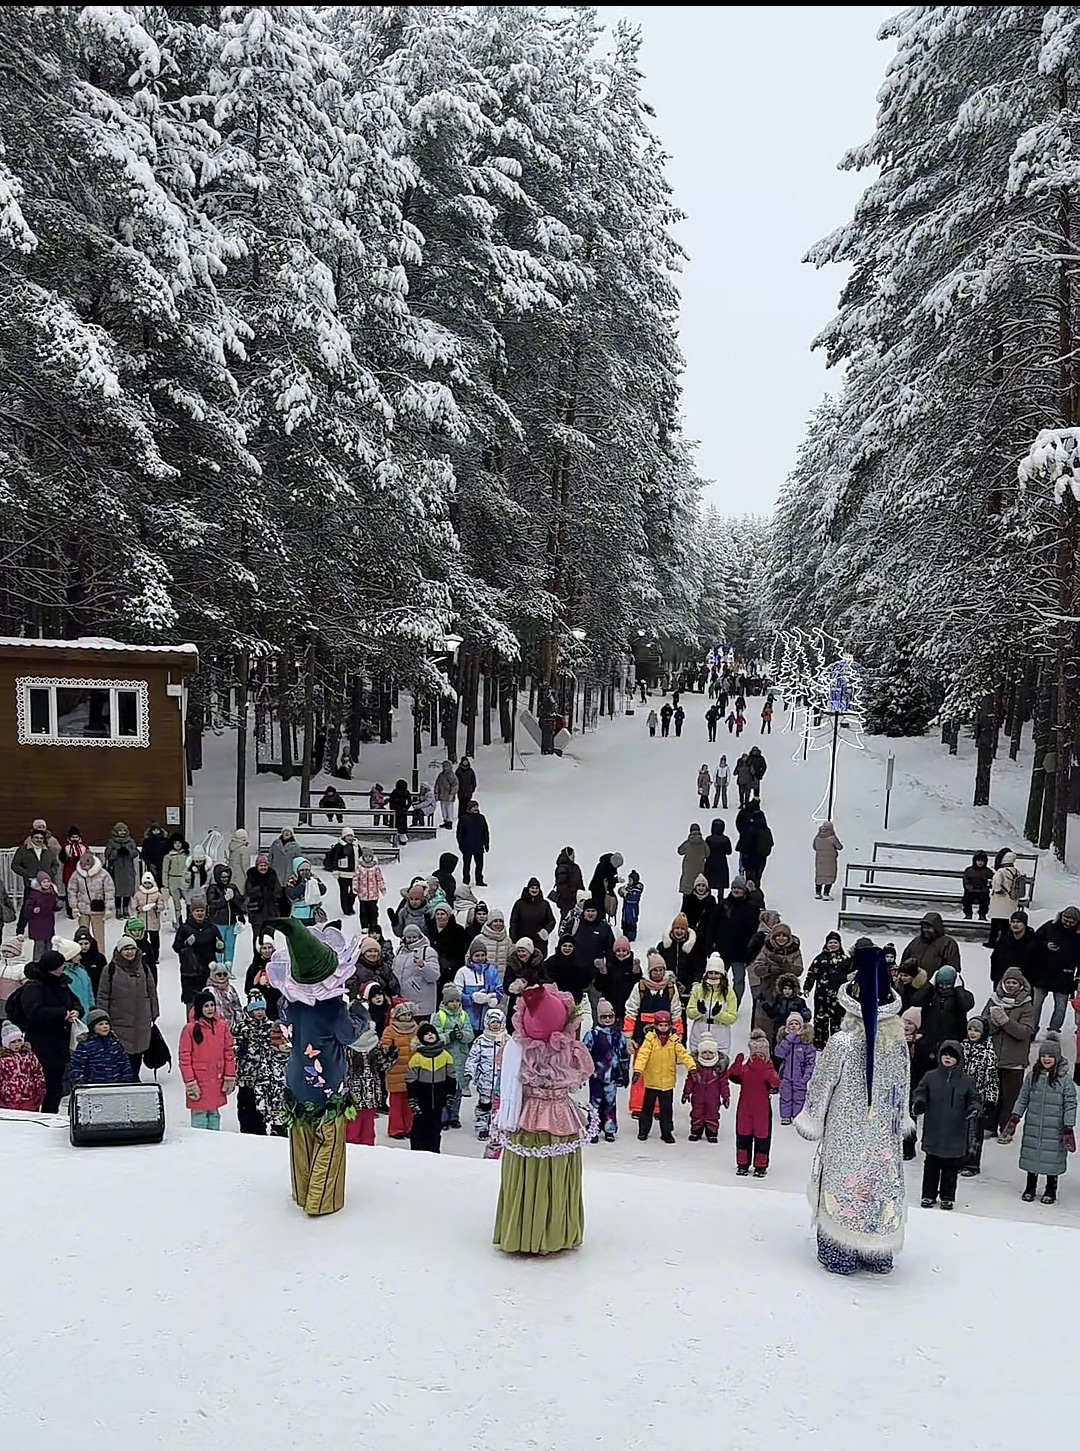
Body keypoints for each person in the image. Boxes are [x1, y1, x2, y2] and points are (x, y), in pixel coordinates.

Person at [795, 943, 910, 1275]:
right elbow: (903, 1084)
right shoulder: (897, 1042)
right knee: (878, 1181)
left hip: (846, 1128)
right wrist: (899, 1119)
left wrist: (813, 1116)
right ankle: (877, 1251)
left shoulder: (842, 1042)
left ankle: (839, 1249)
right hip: (883, 1132)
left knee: (845, 1180)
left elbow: (822, 1083)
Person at [264, 917, 377, 1214]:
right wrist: (360, 1012)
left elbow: (286, 1027)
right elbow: (349, 1034)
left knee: (300, 1133)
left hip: (297, 1076)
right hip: (327, 1080)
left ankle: (303, 1191)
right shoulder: (333, 1007)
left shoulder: (289, 1003)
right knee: (329, 1137)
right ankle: (321, 1200)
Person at [492, 984, 594, 1254]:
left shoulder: (520, 1050)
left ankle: (525, 1230)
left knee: (530, 1171)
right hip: (555, 1114)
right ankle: (553, 1230)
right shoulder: (566, 1052)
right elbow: (578, 1079)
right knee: (553, 1173)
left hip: (528, 1115)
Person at [1002, 1033, 1078, 1205]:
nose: (1046, 1059)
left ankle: (1051, 1188)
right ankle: (1030, 1186)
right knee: (1032, 1155)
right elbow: (1023, 1098)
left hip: (1055, 1127)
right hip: (1034, 1124)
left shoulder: (1064, 1080)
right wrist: (1015, 1117)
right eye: (1043, 1056)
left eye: (1050, 1056)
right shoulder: (1033, 1076)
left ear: (1057, 1058)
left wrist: (1068, 1127)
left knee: (1052, 1158)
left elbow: (1070, 1103)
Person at [911, 1039, 980, 1210]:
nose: (948, 1058)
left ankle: (947, 1196)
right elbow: (920, 1091)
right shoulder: (931, 1077)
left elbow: (975, 1099)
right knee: (931, 1165)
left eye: (952, 1056)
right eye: (945, 1055)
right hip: (934, 1128)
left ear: (959, 1059)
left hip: (955, 1131)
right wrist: (919, 1102)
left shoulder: (966, 1081)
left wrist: (974, 1109)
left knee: (950, 1168)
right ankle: (928, 1194)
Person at [18, 949, 82, 1112]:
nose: (64, 968)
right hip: (41, 1044)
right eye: (61, 965)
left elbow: (75, 1001)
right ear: (52, 967)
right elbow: (34, 1011)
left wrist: (76, 1010)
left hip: (60, 1043)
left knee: (55, 1087)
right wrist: (62, 1013)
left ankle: (50, 1114)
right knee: (42, 1086)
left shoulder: (61, 982)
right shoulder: (34, 986)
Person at [97, 934, 160, 1080]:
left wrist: (153, 1013)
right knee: (122, 1052)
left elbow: (151, 991)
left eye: (132, 948)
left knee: (138, 1051)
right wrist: (103, 1018)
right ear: (119, 951)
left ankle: (134, 1076)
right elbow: (103, 995)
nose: (129, 952)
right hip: (119, 1020)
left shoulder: (143, 967)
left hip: (141, 1020)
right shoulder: (110, 969)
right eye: (126, 949)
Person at [982, 969, 1036, 1136]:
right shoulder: (994, 1001)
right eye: (1008, 982)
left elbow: (1025, 1032)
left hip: (1015, 1060)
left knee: (1010, 1098)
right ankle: (989, 1126)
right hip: (994, 1056)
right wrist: (993, 1022)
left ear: (1021, 985)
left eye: (1014, 982)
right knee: (992, 1094)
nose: (1011, 985)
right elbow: (983, 1027)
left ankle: (1006, 1129)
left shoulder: (1027, 1005)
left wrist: (1005, 1021)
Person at [634, 1010, 695, 1143]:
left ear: (669, 1026)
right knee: (647, 1108)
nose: (663, 1028)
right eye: (660, 1025)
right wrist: (638, 1070)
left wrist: (692, 1067)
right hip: (652, 1080)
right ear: (655, 1025)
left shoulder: (674, 1040)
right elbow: (643, 1055)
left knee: (666, 1109)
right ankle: (643, 1130)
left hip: (667, 1081)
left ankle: (667, 1132)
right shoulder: (649, 1039)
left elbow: (683, 1054)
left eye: (665, 1025)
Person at [234, 992, 288, 1135]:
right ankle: (249, 1129)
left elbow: (277, 1045)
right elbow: (233, 1047)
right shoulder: (241, 1027)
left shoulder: (270, 1026)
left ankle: (271, 1126)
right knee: (247, 1103)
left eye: (262, 1009)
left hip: (266, 1076)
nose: (260, 1012)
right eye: (256, 1009)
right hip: (248, 1076)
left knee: (267, 1102)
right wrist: (244, 1053)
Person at [728, 1029, 781, 1175]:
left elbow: (776, 1084)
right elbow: (733, 1076)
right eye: (755, 1055)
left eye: (761, 1055)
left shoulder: (769, 1069)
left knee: (762, 1138)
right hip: (745, 1109)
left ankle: (760, 1166)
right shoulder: (746, 1069)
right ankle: (743, 1164)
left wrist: (767, 1074)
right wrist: (737, 1064)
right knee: (743, 1137)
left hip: (761, 1111)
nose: (757, 1058)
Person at [583, 1000, 631, 1142]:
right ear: (599, 1018)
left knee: (610, 1103)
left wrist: (625, 1073)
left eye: (610, 1016)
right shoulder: (592, 1034)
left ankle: (609, 1128)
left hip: (613, 1075)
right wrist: (584, 1071)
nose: (608, 1019)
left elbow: (624, 1056)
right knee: (595, 1103)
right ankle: (593, 1129)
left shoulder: (619, 1035)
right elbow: (584, 1054)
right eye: (604, 1017)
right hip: (597, 1075)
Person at [749, 921, 803, 1042]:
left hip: (787, 990)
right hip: (767, 988)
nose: (781, 938)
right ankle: (762, 1047)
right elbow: (757, 967)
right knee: (764, 1019)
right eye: (778, 935)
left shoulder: (794, 950)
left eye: (784, 936)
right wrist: (768, 969)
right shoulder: (767, 948)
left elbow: (798, 969)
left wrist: (785, 967)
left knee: (783, 1022)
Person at [1032, 906, 1080, 1034]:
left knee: (1060, 1007)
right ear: (1061, 916)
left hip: (1065, 975)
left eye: (1072, 922)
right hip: (1043, 972)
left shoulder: (1078, 936)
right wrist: (1045, 945)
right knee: (1036, 1004)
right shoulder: (1049, 927)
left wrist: (1077, 977)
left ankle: (1053, 1032)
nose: (1068, 924)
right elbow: (1034, 941)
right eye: (1066, 919)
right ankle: (1032, 1030)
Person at [960, 1017, 999, 1175]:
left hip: (978, 1099)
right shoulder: (962, 1048)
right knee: (960, 1131)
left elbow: (992, 1080)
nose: (973, 1033)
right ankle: (959, 1159)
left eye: (977, 1030)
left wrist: (990, 1100)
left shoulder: (988, 1054)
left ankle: (972, 1164)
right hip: (960, 1097)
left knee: (974, 1132)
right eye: (971, 1029)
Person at [714, 877, 759, 1006]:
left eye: (739, 888)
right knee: (717, 978)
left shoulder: (751, 907)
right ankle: (717, 1002)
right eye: (734, 888)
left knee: (738, 980)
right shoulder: (724, 904)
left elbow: (754, 930)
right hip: (723, 950)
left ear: (744, 890)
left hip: (741, 952)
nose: (736, 890)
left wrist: (750, 950)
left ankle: (734, 1004)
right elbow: (714, 925)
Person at [433, 984, 474, 1128]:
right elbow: (434, 1037)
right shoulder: (440, 1016)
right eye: (451, 1001)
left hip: (461, 1058)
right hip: (445, 1058)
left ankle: (454, 1117)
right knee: (444, 1090)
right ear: (445, 1002)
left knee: (458, 1091)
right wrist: (448, 1037)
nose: (455, 1004)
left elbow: (470, 1034)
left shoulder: (464, 1015)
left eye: (457, 1001)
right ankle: (443, 1117)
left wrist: (461, 1035)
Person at [465, 1007, 507, 1141]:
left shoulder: (508, 1040)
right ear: (487, 1023)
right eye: (492, 1022)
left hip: (502, 1081)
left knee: (500, 1105)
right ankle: (482, 1127)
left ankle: (497, 1127)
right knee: (485, 1104)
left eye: (498, 1022)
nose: (495, 1025)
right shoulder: (481, 1041)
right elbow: (473, 1058)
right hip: (485, 1080)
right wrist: (469, 1073)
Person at [173, 896, 224, 1005]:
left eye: (202, 910)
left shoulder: (212, 927)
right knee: (191, 1001)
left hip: (208, 969)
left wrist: (220, 946)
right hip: (190, 970)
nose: (200, 913)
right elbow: (177, 947)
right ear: (192, 912)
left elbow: (220, 947)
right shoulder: (185, 928)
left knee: (209, 1000)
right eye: (197, 911)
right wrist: (187, 944)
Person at [685, 954, 738, 1055]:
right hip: (700, 1031)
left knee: (719, 1064)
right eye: (710, 973)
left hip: (720, 1033)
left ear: (722, 975)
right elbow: (689, 1013)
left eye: (716, 973)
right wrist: (699, 1011)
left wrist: (719, 1014)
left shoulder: (728, 992)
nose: (713, 976)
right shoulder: (698, 990)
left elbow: (733, 1017)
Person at [381, 1000, 419, 1139]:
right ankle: (396, 1129)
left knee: (410, 1103)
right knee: (396, 1104)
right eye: (403, 1014)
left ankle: (409, 1127)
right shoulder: (390, 1030)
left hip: (412, 1072)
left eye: (409, 1014)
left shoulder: (416, 1028)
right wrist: (390, 1053)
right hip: (395, 1072)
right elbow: (384, 1047)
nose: (407, 1017)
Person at [682, 1036, 730, 1143]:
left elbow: (724, 1084)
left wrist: (726, 1096)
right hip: (698, 1095)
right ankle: (696, 1130)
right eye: (704, 1052)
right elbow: (690, 1080)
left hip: (713, 1097)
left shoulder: (719, 1068)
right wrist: (686, 1092)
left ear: (715, 1053)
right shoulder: (696, 1067)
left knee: (712, 1113)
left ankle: (711, 1131)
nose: (707, 1055)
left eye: (710, 1053)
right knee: (697, 1113)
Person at [804, 931, 848, 1047]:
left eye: (835, 942)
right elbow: (812, 973)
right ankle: (819, 1043)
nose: (833, 945)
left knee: (837, 1020)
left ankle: (836, 1044)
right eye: (830, 942)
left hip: (838, 996)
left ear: (840, 944)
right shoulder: (820, 958)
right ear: (826, 944)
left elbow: (849, 978)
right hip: (821, 995)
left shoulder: (845, 960)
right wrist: (807, 987)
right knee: (820, 1020)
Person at [70, 1008, 134, 1086]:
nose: (105, 1026)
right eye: (101, 1024)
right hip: (92, 1087)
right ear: (92, 1027)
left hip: (116, 1085)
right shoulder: (85, 1045)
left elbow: (124, 1062)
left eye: (107, 1023)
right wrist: (80, 1083)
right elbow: (77, 1066)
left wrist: (126, 1080)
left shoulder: (114, 1043)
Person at [11, 828, 60, 931]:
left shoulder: (48, 851)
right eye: (36, 838)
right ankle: (20, 929)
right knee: (27, 908)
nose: (39, 840)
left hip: (46, 884)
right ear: (31, 838)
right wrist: (27, 874)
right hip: (31, 884)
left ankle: (44, 930)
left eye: (41, 838)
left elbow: (55, 864)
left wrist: (50, 873)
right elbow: (15, 865)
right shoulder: (23, 850)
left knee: (46, 907)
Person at [775, 1013, 818, 1125]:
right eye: (791, 1024)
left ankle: (797, 1116)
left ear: (801, 1026)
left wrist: (806, 1077)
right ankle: (785, 1116)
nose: (794, 1026)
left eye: (796, 1023)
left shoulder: (805, 1043)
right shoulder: (785, 1040)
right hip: (786, 1075)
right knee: (785, 1096)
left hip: (800, 1076)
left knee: (799, 1097)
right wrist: (789, 1039)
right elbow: (779, 1053)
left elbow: (810, 1062)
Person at [455, 940, 504, 1034]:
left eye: (483, 955)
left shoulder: (492, 971)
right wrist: (472, 998)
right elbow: (457, 994)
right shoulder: (463, 972)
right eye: (477, 955)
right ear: (471, 956)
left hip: (488, 1021)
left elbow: (500, 989)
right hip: (468, 1020)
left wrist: (496, 999)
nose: (480, 958)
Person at [394, 923, 441, 1020]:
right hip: (403, 1004)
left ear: (420, 936)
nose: (411, 940)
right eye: (408, 937)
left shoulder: (428, 951)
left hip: (422, 1006)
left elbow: (435, 976)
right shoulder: (399, 951)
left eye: (414, 937)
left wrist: (423, 965)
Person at [67, 852, 115, 946]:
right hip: (83, 909)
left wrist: (109, 909)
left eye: (88, 865)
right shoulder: (76, 875)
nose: (86, 867)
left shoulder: (103, 874)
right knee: (83, 934)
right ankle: (84, 955)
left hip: (98, 908)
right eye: (84, 865)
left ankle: (100, 955)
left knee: (99, 935)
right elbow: (72, 891)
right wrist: (74, 907)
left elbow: (109, 892)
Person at [243, 855, 290, 944]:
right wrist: (261, 889)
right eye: (261, 865)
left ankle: (269, 956)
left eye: (265, 865)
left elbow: (278, 892)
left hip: (271, 913)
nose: (263, 868)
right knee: (257, 938)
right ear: (257, 866)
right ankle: (257, 956)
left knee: (269, 938)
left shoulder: (272, 876)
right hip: (257, 913)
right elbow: (249, 892)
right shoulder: (252, 877)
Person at [0, 1019, 45, 1110]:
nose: (17, 1044)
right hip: (8, 1100)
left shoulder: (29, 1055)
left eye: (19, 1041)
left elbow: (37, 1073)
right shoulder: (2, 1060)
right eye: (13, 1042)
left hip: (28, 1097)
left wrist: (40, 1090)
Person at [990, 909, 1040, 990]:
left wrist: (1031, 980)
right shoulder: (1004, 939)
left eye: (1018, 922)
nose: (1015, 924)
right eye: (1013, 922)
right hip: (1003, 980)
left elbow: (1038, 963)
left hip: (1025, 983)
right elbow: (995, 957)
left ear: (1024, 924)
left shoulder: (1033, 941)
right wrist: (995, 977)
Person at [205, 864, 244, 968]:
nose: (224, 879)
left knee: (230, 946)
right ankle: (219, 966)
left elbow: (241, 903)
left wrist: (234, 898)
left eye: (226, 877)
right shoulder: (213, 888)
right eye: (222, 877)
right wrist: (224, 899)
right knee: (219, 945)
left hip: (232, 921)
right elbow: (212, 903)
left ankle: (228, 966)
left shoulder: (233, 887)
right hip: (218, 922)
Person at [510, 879, 556, 957]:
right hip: (523, 941)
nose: (534, 890)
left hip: (539, 942)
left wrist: (546, 930)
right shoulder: (519, 904)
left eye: (536, 888)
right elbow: (513, 922)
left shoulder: (544, 904)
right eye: (532, 888)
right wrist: (514, 938)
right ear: (528, 889)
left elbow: (551, 921)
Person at [987, 850, 1023, 947]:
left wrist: (996, 889)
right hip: (1012, 900)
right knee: (1006, 925)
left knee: (995, 924)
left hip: (999, 901)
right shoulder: (1017, 872)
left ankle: (992, 942)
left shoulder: (1001, 872)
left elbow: (997, 886)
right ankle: (1005, 942)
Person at [103, 823, 139, 918]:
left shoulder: (130, 841)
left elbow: (135, 853)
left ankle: (126, 908)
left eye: (124, 830)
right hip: (116, 870)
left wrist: (128, 851)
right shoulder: (111, 842)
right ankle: (118, 909)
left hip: (128, 869)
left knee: (127, 890)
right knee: (117, 890)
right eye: (120, 830)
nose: (122, 833)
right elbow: (108, 855)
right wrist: (116, 851)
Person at [24, 873, 61, 961]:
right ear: (40, 883)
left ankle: (49, 963)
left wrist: (58, 906)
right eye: (44, 882)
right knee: (39, 945)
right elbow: (27, 908)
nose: (46, 884)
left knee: (49, 944)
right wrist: (33, 910)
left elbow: (53, 907)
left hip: (48, 922)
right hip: (37, 924)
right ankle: (37, 963)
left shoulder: (52, 893)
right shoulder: (34, 894)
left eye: (48, 881)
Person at [323, 829, 359, 917]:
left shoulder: (356, 845)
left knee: (354, 891)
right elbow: (335, 858)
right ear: (344, 836)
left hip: (354, 873)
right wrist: (335, 870)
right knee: (344, 892)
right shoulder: (339, 846)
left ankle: (350, 905)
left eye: (351, 836)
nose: (350, 838)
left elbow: (360, 856)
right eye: (348, 836)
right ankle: (346, 909)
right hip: (342, 873)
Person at [132, 872, 165, 964]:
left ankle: (155, 955)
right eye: (145, 883)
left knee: (154, 939)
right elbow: (134, 905)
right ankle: (143, 954)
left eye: (149, 883)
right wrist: (138, 908)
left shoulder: (157, 894)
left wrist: (156, 907)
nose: (147, 885)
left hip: (153, 920)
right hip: (142, 921)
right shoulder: (138, 894)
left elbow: (162, 905)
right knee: (142, 939)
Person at [456, 799, 489, 887]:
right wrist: (461, 845)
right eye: (473, 807)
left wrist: (486, 843)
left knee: (479, 864)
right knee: (467, 864)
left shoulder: (481, 818)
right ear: (469, 808)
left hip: (478, 845)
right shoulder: (464, 818)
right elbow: (459, 833)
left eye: (476, 806)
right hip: (467, 846)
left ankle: (479, 879)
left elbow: (485, 831)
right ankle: (466, 880)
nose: (476, 808)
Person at [737, 808, 774, 886]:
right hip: (762, 859)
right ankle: (757, 894)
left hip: (750, 859)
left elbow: (745, 844)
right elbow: (771, 843)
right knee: (757, 878)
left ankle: (751, 895)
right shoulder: (766, 830)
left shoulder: (749, 829)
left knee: (750, 881)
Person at [285, 857, 326, 925]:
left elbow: (323, 891)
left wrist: (318, 883)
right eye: (302, 870)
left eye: (307, 870)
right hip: (298, 915)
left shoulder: (313, 878)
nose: (305, 872)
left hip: (312, 915)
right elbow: (292, 895)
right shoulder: (292, 880)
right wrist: (303, 884)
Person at [551, 847, 585, 921]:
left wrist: (582, 894)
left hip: (577, 897)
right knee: (566, 918)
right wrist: (570, 896)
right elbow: (562, 885)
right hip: (567, 900)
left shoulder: (575, 867)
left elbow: (580, 882)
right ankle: (563, 932)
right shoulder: (562, 868)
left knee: (578, 918)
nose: (573, 856)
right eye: (572, 854)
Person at [162, 835, 189, 924]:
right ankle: (178, 922)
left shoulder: (186, 855)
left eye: (179, 843)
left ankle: (189, 921)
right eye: (175, 843)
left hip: (184, 880)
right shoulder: (168, 856)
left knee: (188, 902)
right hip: (173, 880)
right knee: (176, 904)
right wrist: (165, 884)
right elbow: (165, 871)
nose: (177, 845)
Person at [812, 822, 843, 900]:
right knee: (829, 875)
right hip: (830, 859)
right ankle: (826, 893)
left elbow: (814, 847)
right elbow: (839, 847)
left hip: (819, 859)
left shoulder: (817, 837)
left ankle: (818, 893)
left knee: (820, 874)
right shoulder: (832, 838)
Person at [677, 824, 710, 895]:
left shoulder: (688, 843)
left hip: (688, 868)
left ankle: (685, 902)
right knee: (698, 886)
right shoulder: (703, 844)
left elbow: (680, 851)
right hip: (699, 869)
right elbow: (708, 853)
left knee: (687, 886)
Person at [58, 827, 85, 913]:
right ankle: (69, 910)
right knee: (69, 892)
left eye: (76, 837)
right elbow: (62, 858)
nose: (74, 839)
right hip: (69, 872)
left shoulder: (83, 847)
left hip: (81, 872)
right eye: (73, 837)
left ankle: (81, 908)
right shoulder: (66, 847)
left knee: (81, 892)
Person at [618, 870, 644, 943]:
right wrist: (622, 891)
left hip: (632, 910)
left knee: (631, 923)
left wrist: (626, 894)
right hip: (626, 910)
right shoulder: (628, 887)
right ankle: (625, 934)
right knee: (625, 922)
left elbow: (633, 899)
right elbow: (621, 892)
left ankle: (631, 937)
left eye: (631, 880)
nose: (629, 881)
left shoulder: (637, 889)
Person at [434, 760, 459, 827]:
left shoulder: (452, 775)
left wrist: (452, 793)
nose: (446, 768)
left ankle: (450, 821)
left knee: (449, 809)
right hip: (442, 795)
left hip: (449, 795)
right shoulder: (441, 775)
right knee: (443, 809)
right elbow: (437, 784)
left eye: (447, 766)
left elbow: (455, 785)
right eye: (444, 766)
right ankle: (445, 820)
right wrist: (436, 793)